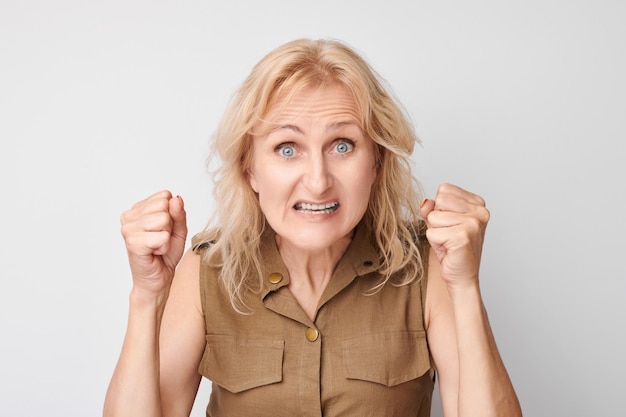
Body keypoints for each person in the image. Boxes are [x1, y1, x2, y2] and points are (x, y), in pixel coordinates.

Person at [103, 38, 522, 417]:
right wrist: (147, 297)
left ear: (375, 161)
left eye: (343, 145)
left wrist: (464, 286)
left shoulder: (426, 265)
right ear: (250, 169)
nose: (318, 180)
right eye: (288, 149)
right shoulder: (206, 270)